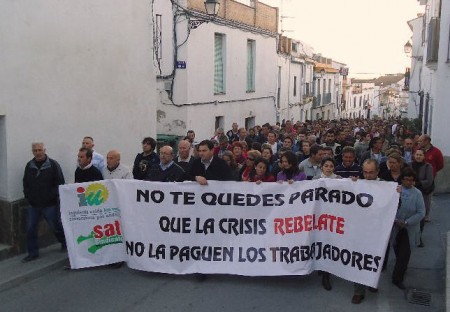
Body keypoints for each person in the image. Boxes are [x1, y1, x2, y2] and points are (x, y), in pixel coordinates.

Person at [22, 142, 66, 262]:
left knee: (56, 226)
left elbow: (60, 182)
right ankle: (32, 253)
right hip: (34, 204)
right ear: (32, 152)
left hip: (49, 204)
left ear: (44, 150)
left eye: (40, 150)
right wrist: (28, 196)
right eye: (35, 150)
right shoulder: (29, 165)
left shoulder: (53, 165)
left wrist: (51, 196)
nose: (38, 152)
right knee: (31, 228)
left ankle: (64, 242)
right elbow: (25, 182)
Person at [350, 159, 382, 304]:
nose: (368, 176)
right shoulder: (357, 185)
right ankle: (358, 291)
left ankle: (372, 281)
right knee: (359, 259)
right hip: (360, 231)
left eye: (371, 172)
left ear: (377, 172)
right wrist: (350, 184)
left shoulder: (385, 187)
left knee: (375, 258)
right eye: (365, 172)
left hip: (377, 230)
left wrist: (397, 194)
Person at [391, 168, 425, 290]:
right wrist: (395, 220)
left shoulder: (417, 194)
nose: (408, 182)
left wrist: (406, 222)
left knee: (404, 254)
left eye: (411, 180)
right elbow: (388, 207)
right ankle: (400, 268)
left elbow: (421, 213)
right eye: (406, 179)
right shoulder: (395, 190)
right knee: (396, 249)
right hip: (395, 227)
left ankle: (397, 278)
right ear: (402, 179)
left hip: (409, 228)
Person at [313, 157, 341, 290]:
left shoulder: (340, 180)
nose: (329, 168)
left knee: (329, 244)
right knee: (318, 242)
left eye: (331, 166)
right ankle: (319, 266)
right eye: (326, 166)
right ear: (321, 167)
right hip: (318, 217)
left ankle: (326, 275)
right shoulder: (314, 180)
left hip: (333, 218)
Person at [411, 149, 434, 247]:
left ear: (424, 156)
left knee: (421, 216)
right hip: (411, 193)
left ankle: (419, 237)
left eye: (420, 155)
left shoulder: (428, 167)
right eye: (417, 154)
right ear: (414, 155)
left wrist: (417, 183)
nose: (418, 156)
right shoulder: (409, 165)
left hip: (423, 193)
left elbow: (429, 181)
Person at [418, 134, 443, 221]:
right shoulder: (418, 150)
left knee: (427, 196)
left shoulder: (436, 151)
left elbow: (440, 165)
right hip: (418, 177)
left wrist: (433, 172)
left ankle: (426, 215)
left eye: (421, 141)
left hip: (429, 178)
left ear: (427, 141)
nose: (419, 142)